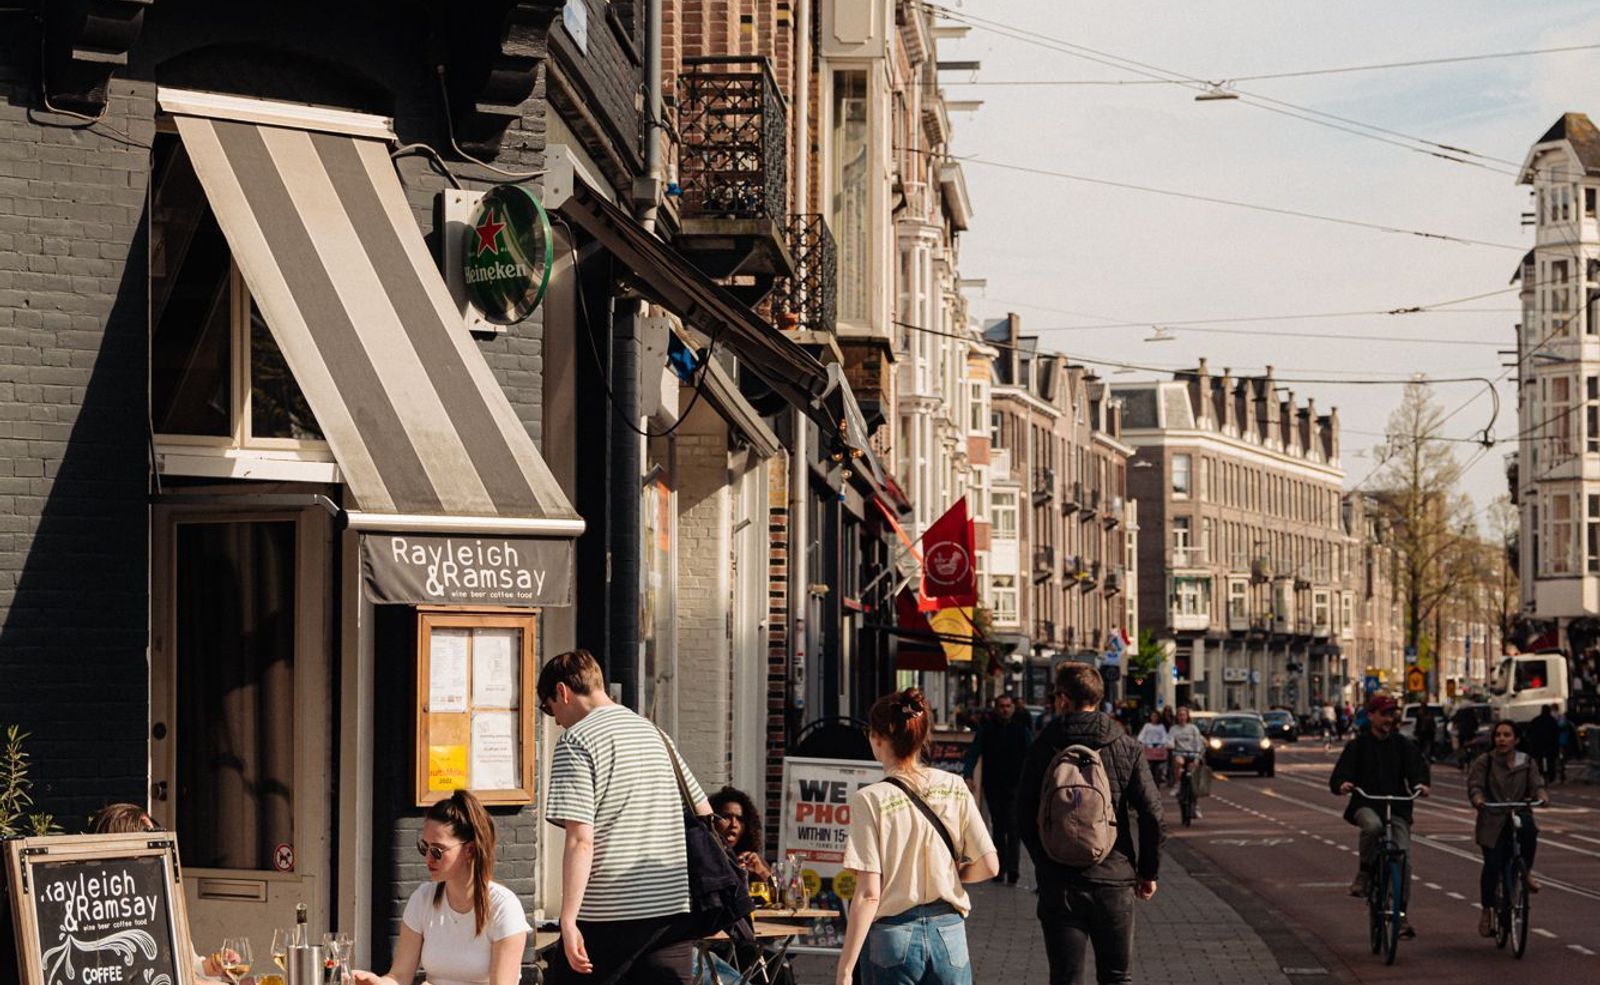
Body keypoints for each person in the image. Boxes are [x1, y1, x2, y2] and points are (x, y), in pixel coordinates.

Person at [539, 649, 713, 985]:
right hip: (672, 908)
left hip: (609, 912)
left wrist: (569, 919)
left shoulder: (575, 741)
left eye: (550, 710)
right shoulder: (655, 734)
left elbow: (580, 839)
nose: (556, 720)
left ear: (562, 691)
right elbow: (703, 810)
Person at [835, 687, 999, 985]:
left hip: (892, 935)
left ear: (877, 738)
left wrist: (846, 969)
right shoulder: (955, 786)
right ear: (923, 736)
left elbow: (869, 893)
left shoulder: (870, 799)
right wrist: (950, 875)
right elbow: (990, 865)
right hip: (949, 933)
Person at [1018, 663, 1162, 985]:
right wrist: (1147, 872)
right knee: (1116, 976)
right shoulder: (1125, 746)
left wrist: (1044, 862)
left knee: (1066, 977)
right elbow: (1153, 814)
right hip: (1114, 878)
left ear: (1064, 700)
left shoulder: (1043, 746)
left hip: (1059, 882)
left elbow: (1023, 813)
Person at [350, 790, 529, 985]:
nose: (428, 858)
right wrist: (377, 982)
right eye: (424, 848)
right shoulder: (423, 898)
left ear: (469, 850)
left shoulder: (504, 907)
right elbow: (399, 976)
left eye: (437, 851)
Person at [88, 804, 232, 985]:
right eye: (150, 841)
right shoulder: (94, 917)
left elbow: (183, 967)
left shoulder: (159, 904)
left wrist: (211, 966)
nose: (157, 856)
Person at [1329, 693, 1430, 939]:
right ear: (1371, 716)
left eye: (1391, 714)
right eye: (1384, 714)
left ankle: (1401, 915)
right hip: (1367, 803)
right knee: (1373, 827)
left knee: (1403, 858)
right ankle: (1365, 872)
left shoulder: (1403, 745)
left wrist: (1421, 784)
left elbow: (1417, 770)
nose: (1389, 719)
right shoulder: (1358, 745)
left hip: (1396, 807)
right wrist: (1342, 784)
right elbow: (1339, 776)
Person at [1468, 721, 1548, 937]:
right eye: (1498, 735)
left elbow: (1537, 784)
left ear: (1516, 739)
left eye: (1507, 735)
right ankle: (1487, 910)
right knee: (1492, 865)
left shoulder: (1526, 761)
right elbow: (1475, 785)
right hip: (1493, 818)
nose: (1501, 739)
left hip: (1518, 813)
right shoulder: (1485, 761)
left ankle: (1526, 872)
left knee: (1530, 829)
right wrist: (1478, 798)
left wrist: (1541, 795)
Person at [961, 692, 1032, 885]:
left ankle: (1014, 870)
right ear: (996, 708)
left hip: (1016, 785)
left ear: (1013, 708)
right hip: (993, 785)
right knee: (999, 828)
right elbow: (973, 754)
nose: (1005, 709)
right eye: (1001, 706)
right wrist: (967, 775)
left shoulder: (1021, 730)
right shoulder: (986, 730)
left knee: (1014, 828)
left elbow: (1032, 756)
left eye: (1008, 706)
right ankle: (1000, 869)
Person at [709, 786, 772, 882]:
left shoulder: (751, 859)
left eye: (740, 819)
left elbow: (777, 893)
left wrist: (762, 872)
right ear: (713, 820)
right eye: (726, 817)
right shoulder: (704, 857)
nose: (734, 824)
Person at [1164, 707, 1205, 818]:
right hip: (1180, 754)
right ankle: (1178, 783)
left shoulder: (1193, 728)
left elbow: (1198, 742)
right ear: (1177, 717)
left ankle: (1196, 806)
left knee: (1193, 780)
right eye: (1180, 715)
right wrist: (1169, 744)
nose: (1182, 717)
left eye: (1184, 715)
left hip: (1192, 754)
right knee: (1179, 761)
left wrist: (1197, 756)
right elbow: (1170, 740)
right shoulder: (1174, 729)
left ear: (1187, 716)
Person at [1135, 711, 1169, 788]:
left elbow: (1164, 736)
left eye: (1156, 716)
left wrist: (1162, 743)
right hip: (1148, 747)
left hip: (1158, 748)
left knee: (1159, 767)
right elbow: (1141, 735)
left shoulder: (1161, 726)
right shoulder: (1147, 726)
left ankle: (1160, 778)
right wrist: (1142, 742)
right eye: (1153, 716)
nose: (1154, 718)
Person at [1527, 704, 1560, 784]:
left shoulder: (1536, 720)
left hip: (1538, 745)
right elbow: (1556, 733)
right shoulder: (1552, 721)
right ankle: (1551, 776)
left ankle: (1540, 774)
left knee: (1538, 760)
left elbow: (1530, 730)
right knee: (1551, 760)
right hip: (1550, 745)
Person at [1452, 702, 1481, 770]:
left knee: (1460, 747)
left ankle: (1461, 762)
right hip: (1471, 733)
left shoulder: (1460, 712)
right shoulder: (1472, 713)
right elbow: (1476, 723)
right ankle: (1471, 759)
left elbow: (1454, 719)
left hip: (1462, 733)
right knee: (1472, 745)